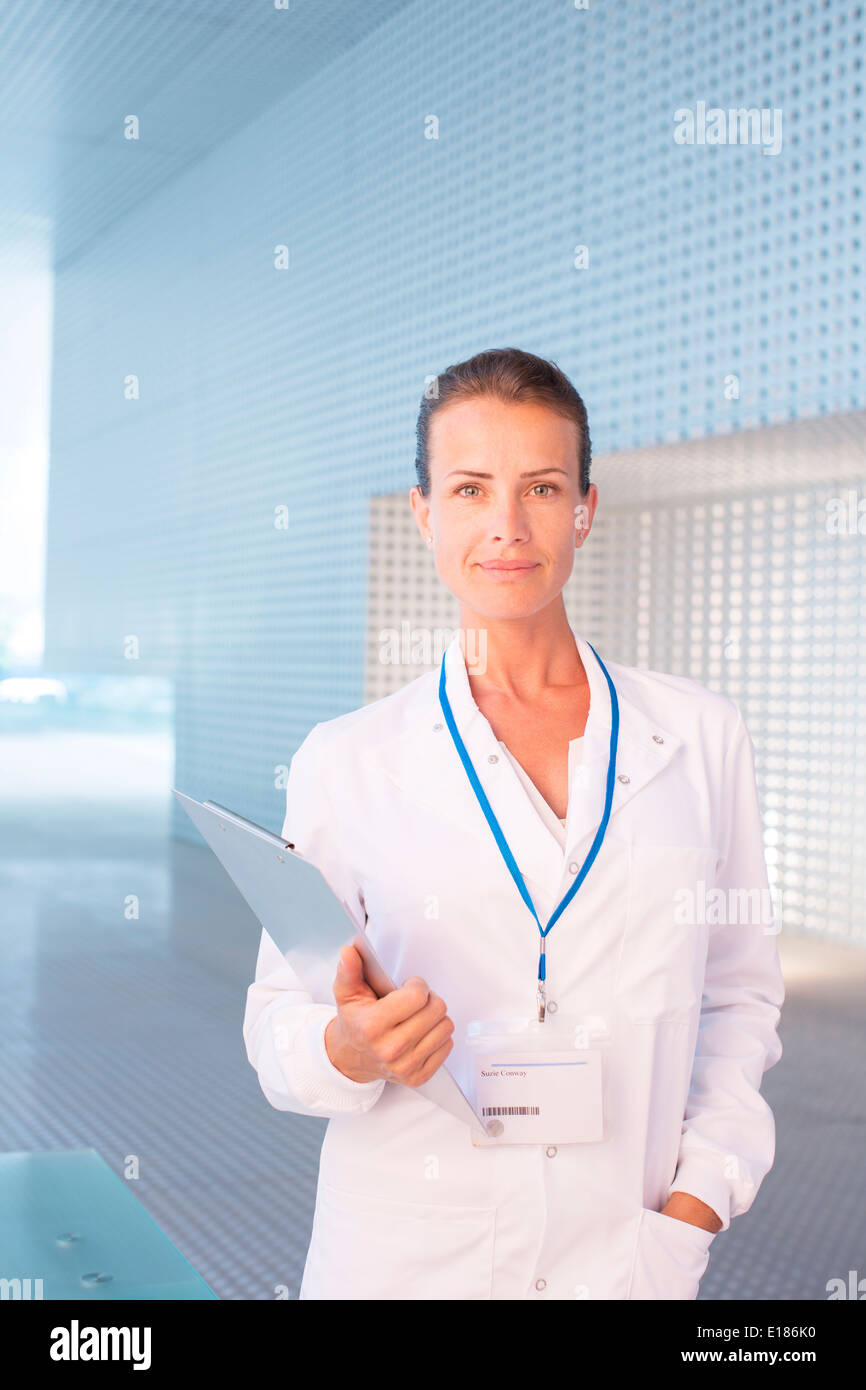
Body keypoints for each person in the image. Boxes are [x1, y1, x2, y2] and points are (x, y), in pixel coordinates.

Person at [242, 347, 785, 1300]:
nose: (505, 526)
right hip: (406, 1258)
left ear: (585, 508)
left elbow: (740, 997)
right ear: (424, 515)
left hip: (625, 1254)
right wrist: (350, 1048)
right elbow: (279, 1022)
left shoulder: (699, 737)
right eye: (468, 489)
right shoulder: (348, 759)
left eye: (540, 486)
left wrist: (700, 1200)